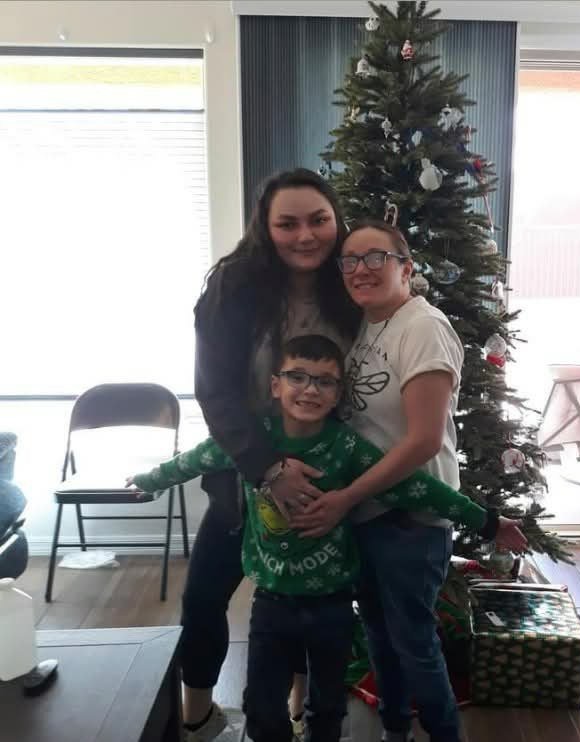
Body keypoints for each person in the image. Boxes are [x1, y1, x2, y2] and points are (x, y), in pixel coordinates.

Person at [129, 334, 526, 742]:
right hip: (271, 602)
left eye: (324, 381)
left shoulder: (347, 446)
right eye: (297, 377)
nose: (310, 389)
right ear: (275, 385)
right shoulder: (251, 442)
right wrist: (149, 480)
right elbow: (195, 459)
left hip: (331, 605)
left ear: (338, 394)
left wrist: (487, 522)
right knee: (261, 705)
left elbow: (416, 487)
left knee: (327, 708)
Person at [289, 221, 526, 742]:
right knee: (378, 633)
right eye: (349, 261)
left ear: (407, 267)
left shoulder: (423, 327)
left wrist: (345, 498)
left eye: (375, 257)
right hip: (367, 513)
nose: (360, 269)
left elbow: (422, 440)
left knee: (414, 644)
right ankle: (395, 731)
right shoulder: (366, 326)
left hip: (410, 519)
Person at [181, 169, 361, 742]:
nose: (305, 235)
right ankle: (196, 716)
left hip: (326, 472)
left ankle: (301, 714)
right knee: (203, 596)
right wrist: (268, 468)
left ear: (336, 221)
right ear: (265, 226)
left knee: (309, 598)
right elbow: (215, 392)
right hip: (243, 471)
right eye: (288, 223)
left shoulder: (353, 281)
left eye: (318, 220)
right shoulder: (232, 287)